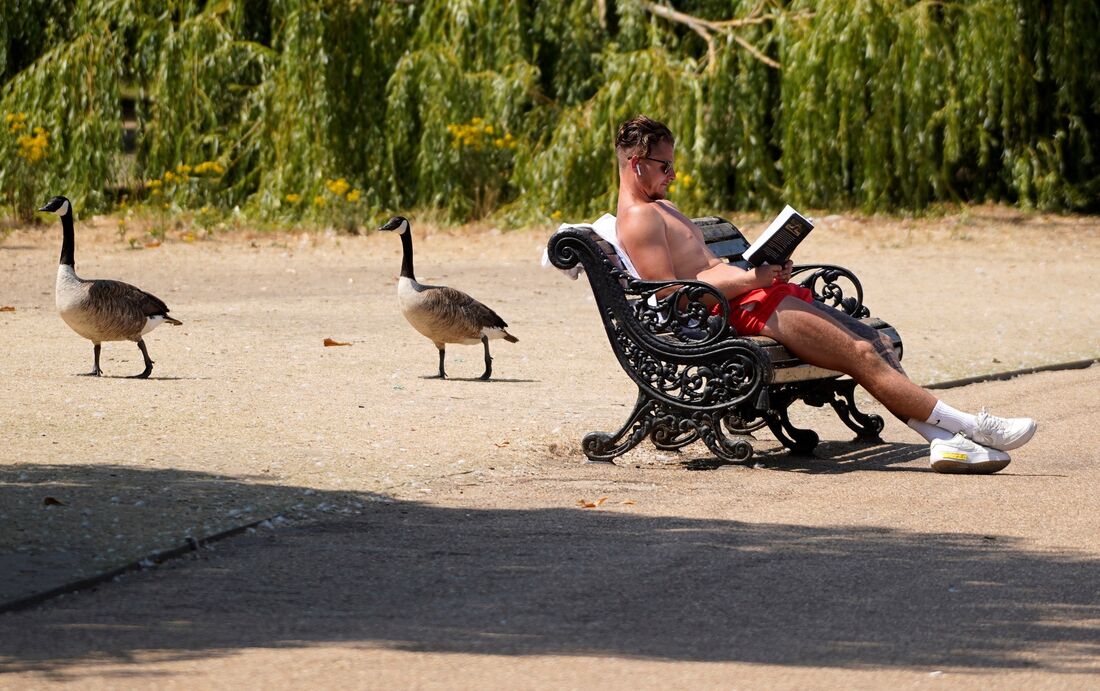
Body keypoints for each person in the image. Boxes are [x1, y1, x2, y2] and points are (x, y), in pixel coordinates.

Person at [613, 115, 1036, 474]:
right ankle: (972, 427)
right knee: (862, 353)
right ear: (636, 164)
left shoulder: (661, 208)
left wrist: (766, 266)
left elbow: (705, 270)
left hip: (754, 296)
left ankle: (943, 440)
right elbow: (674, 297)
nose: (672, 173)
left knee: (876, 341)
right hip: (743, 311)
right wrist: (752, 279)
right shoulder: (639, 220)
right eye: (664, 166)